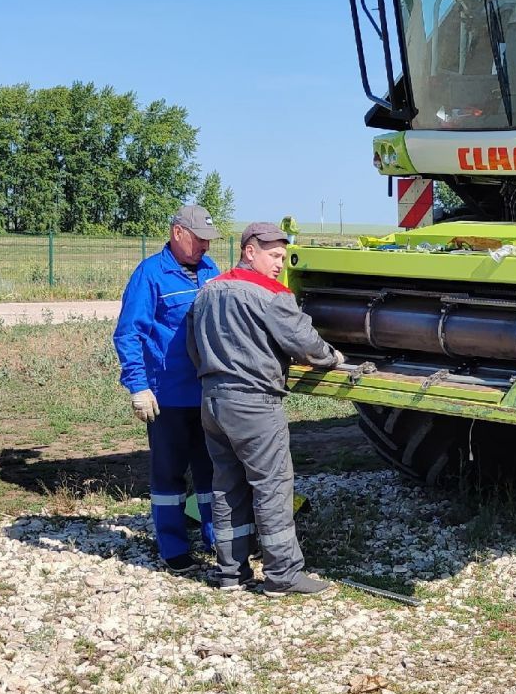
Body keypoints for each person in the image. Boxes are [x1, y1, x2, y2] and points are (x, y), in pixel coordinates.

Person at [185, 222, 344, 594]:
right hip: (254, 404)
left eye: (283, 257)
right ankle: (282, 575)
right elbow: (304, 343)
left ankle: (230, 573)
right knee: (272, 487)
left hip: (212, 400)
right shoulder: (270, 294)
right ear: (249, 251)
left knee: (226, 486)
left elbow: (192, 345)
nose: (279, 264)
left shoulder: (207, 291)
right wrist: (332, 357)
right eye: (273, 256)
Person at [112, 204, 223, 574]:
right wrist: (138, 386)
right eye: (200, 239)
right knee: (169, 476)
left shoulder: (211, 272)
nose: (206, 246)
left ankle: (218, 540)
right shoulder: (150, 275)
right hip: (167, 397)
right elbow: (129, 333)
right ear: (178, 233)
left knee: (211, 473)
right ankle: (173, 547)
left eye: (210, 240)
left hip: (207, 393)